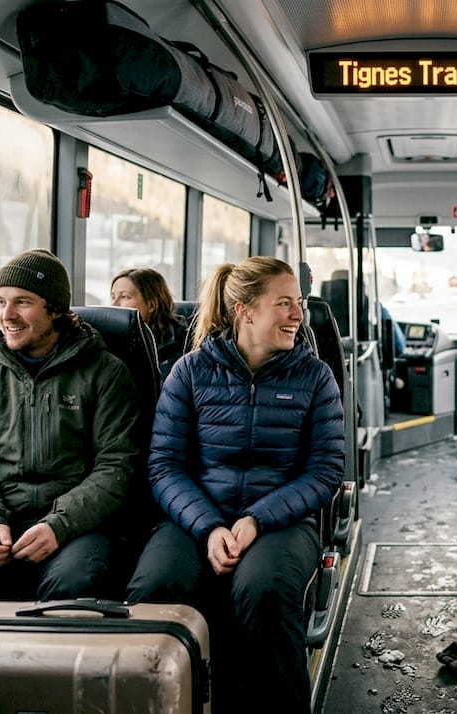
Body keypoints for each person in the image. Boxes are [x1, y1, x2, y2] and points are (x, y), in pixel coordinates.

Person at [124, 256, 345, 713]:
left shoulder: (313, 377)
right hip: (198, 516)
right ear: (244, 310)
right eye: (284, 303)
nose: (297, 315)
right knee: (156, 589)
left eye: (298, 303)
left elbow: (324, 471)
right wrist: (209, 527)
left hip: (281, 520)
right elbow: (165, 465)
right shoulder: (190, 372)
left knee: (263, 591)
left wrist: (257, 519)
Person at [0, 249, 139, 621]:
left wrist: (58, 525)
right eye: (1, 302)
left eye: (22, 302)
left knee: (72, 588)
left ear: (55, 310)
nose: (7, 315)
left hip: (78, 527)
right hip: (0, 519)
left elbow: (116, 468)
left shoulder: (105, 374)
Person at [110, 267, 190, 378]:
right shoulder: (109, 340)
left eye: (124, 297)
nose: (114, 304)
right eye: (113, 297)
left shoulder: (186, 342)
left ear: (152, 304)